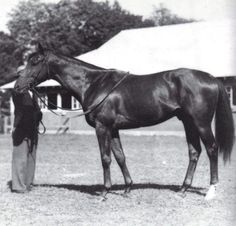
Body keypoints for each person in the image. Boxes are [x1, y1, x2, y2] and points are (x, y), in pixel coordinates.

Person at [11, 91, 42, 193]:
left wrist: (38, 115)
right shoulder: (18, 91)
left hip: (33, 128)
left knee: (31, 157)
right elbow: (22, 110)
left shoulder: (34, 92)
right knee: (20, 158)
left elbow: (37, 109)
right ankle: (18, 186)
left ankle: (28, 183)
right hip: (22, 128)